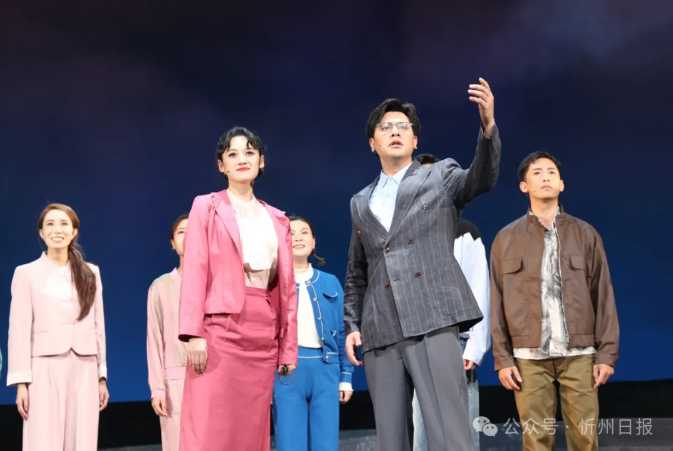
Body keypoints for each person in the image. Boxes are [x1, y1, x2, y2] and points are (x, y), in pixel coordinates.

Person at [344, 78, 501, 451]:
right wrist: (352, 325)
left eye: (403, 126)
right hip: (381, 329)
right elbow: (357, 272)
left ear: (415, 141)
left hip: (432, 318)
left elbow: (480, 179)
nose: (395, 132)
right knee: (392, 438)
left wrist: (488, 128)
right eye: (386, 127)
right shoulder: (359, 201)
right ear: (372, 143)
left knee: (449, 432)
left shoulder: (439, 175)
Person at [178, 126, 298, 451]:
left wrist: (288, 347)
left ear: (261, 161)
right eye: (233, 153)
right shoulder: (206, 206)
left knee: (251, 431)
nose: (242, 159)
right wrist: (194, 333)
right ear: (222, 165)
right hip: (220, 332)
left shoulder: (278, 219)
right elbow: (195, 269)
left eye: (249, 152)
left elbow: (287, 289)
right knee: (209, 430)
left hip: (263, 335)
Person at [490, 151, 619, 451]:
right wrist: (503, 359)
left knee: (585, 439)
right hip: (528, 358)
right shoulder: (505, 238)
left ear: (561, 184)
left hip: (579, 355)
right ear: (524, 186)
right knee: (536, 440)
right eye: (537, 172)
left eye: (551, 172)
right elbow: (496, 302)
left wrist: (606, 354)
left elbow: (603, 295)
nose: (545, 177)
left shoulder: (585, 234)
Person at [7, 203, 110, 451]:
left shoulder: (90, 273)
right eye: (50, 224)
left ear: (74, 232)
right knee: (43, 440)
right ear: (41, 233)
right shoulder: (26, 273)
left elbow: (98, 326)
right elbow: (19, 330)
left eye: (64, 224)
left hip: (84, 365)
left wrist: (101, 376)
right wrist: (21, 383)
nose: (57, 229)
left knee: (82, 439)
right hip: (44, 367)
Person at [411, 154, 491, 451]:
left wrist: (476, 346)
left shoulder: (464, 231)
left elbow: (478, 287)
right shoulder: (400, 234)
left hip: (456, 343)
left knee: (460, 434)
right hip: (413, 344)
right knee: (419, 434)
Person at [272, 216, 354, 451]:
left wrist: (346, 377)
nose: (298, 238)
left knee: (325, 443)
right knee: (290, 443)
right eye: (291, 233)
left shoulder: (330, 282)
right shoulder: (273, 284)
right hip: (286, 372)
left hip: (326, 370)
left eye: (304, 232)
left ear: (314, 242)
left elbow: (342, 332)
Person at [146, 213, 189, 451]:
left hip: (215, 381)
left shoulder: (218, 284)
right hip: (176, 383)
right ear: (173, 243)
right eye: (182, 232)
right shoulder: (161, 286)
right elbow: (154, 340)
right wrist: (157, 388)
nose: (188, 237)